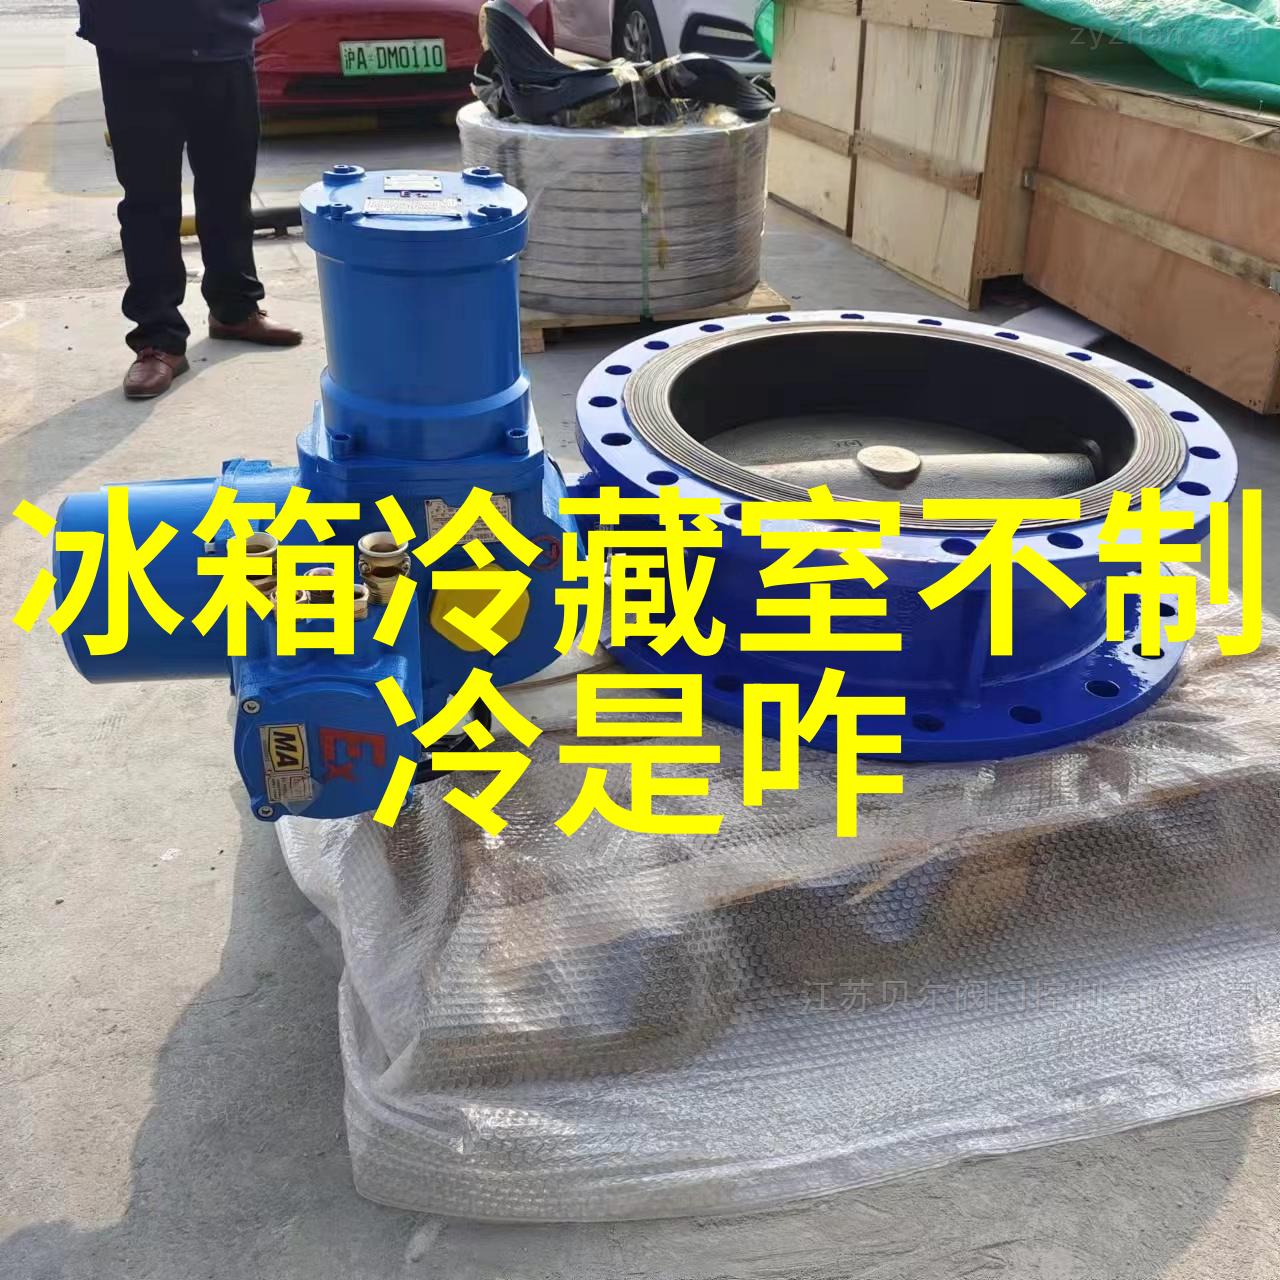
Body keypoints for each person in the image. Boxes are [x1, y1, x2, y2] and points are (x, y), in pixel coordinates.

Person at [77, 0, 302, 399]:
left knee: (229, 187)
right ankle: (158, 338)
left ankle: (235, 309)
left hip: (225, 41)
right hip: (135, 51)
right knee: (149, 198)